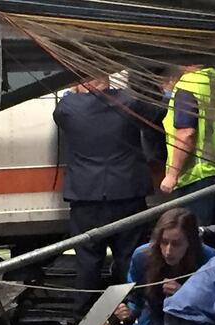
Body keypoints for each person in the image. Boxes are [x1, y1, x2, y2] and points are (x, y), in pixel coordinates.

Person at [53, 76, 166, 303]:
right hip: (127, 192)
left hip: (86, 197)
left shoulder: (66, 107)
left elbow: (62, 118)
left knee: (87, 262)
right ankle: (133, 313)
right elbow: (157, 113)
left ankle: (84, 318)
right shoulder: (129, 102)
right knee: (129, 258)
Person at [118, 207, 215, 325]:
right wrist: (127, 312)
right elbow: (134, 296)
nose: (168, 251)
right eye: (164, 242)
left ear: (190, 242)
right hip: (151, 320)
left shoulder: (209, 260)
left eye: (176, 244)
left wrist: (184, 295)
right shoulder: (142, 256)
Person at [159, 66, 215, 226]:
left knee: (199, 238)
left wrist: (172, 175)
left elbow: (186, 133)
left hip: (199, 178)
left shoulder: (188, 85)